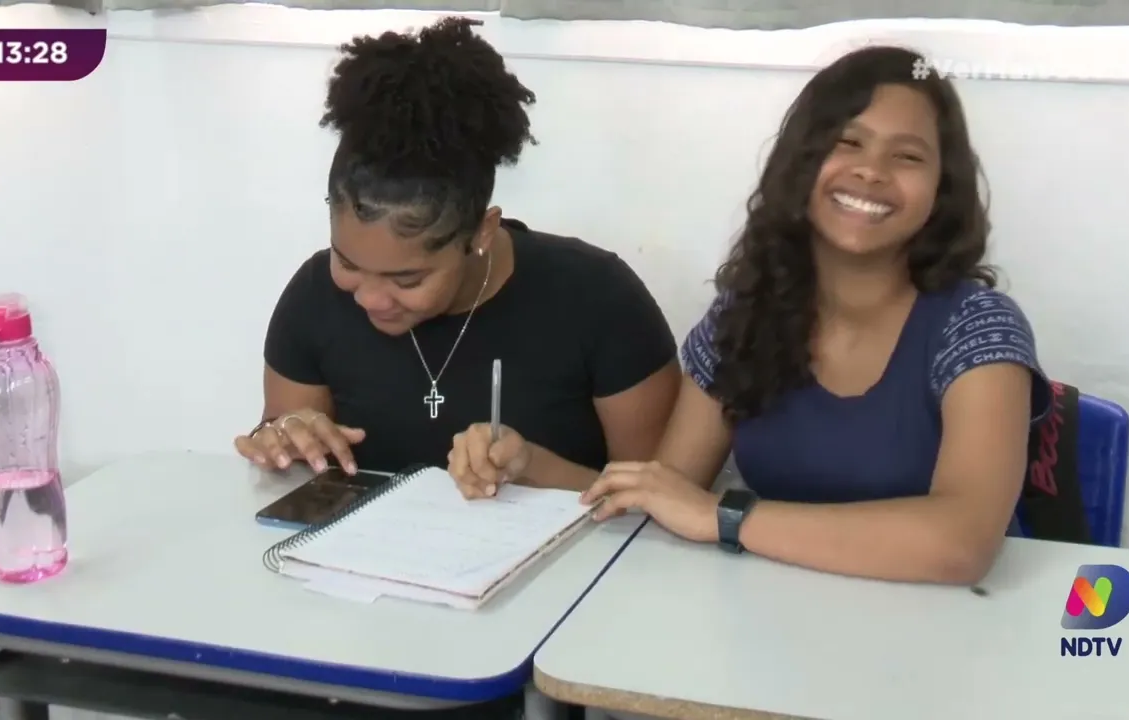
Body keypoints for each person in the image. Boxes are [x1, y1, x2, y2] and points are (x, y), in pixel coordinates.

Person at [570, 45, 1054, 586]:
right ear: (801, 164)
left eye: (908, 156)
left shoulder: (978, 327)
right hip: (774, 626)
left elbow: (961, 544)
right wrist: (530, 467)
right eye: (847, 143)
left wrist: (727, 518)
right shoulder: (742, 315)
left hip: (955, 634)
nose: (872, 171)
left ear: (943, 190)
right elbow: (666, 495)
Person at [234, 17, 680, 498]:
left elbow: (659, 511)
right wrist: (282, 441)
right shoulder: (313, 298)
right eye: (347, 263)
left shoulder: (598, 300)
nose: (370, 297)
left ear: (481, 232)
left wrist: (535, 468)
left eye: (407, 279)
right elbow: (294, 478)